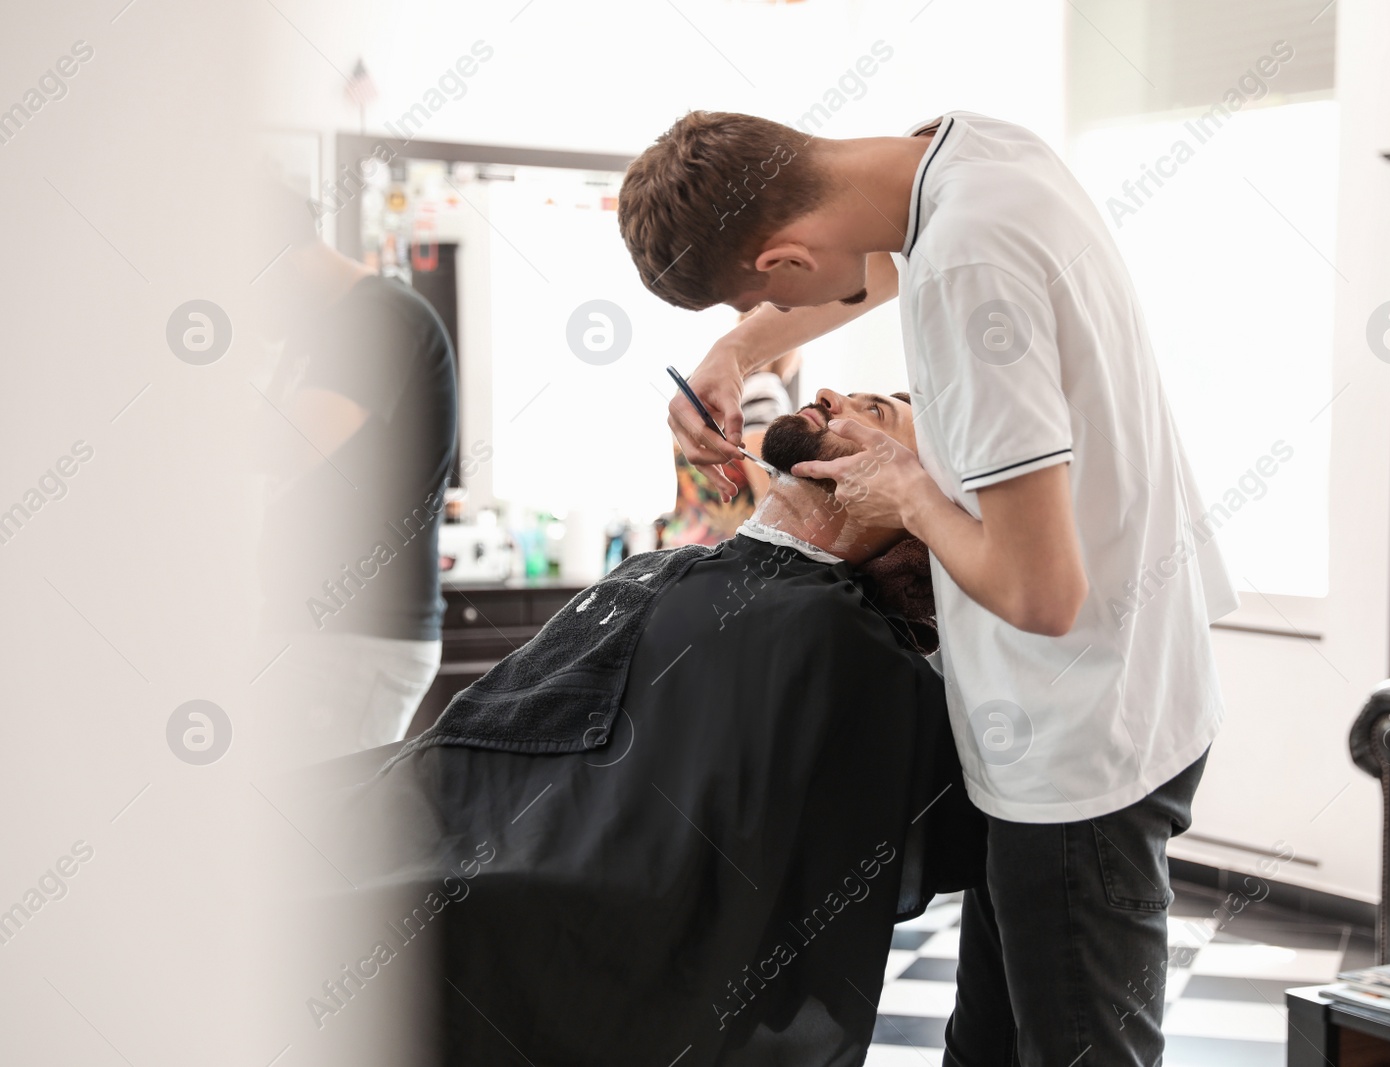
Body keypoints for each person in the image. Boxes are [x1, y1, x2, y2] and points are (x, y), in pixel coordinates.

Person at [618, 110, 1238, 1065]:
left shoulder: (963, 274)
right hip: (1113, 692)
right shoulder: (976, 154)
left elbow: (1044, 596)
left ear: (783, 257)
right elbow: (869, 266)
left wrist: (904, 491)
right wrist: (734, 352)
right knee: (986, 1048)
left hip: (1074, 743)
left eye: (753, 301)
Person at [323, 390, 983, 1066]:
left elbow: (952, 826)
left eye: (877, 415)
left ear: (909, 495)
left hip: (551, 905)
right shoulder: (670, 567)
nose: (832, 395)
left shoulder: (845, 642)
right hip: (448, 822)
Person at [259, 187, 458, 758]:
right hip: (324, 629)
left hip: (358, 633)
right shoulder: (322, 332)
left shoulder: (379, 317)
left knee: (322, 829)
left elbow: (283, 446)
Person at [659, 312, 801, 547]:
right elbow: (768, 495)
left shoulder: (696, 388)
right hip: (729, 553)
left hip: (680, 543)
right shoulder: (764, 388)